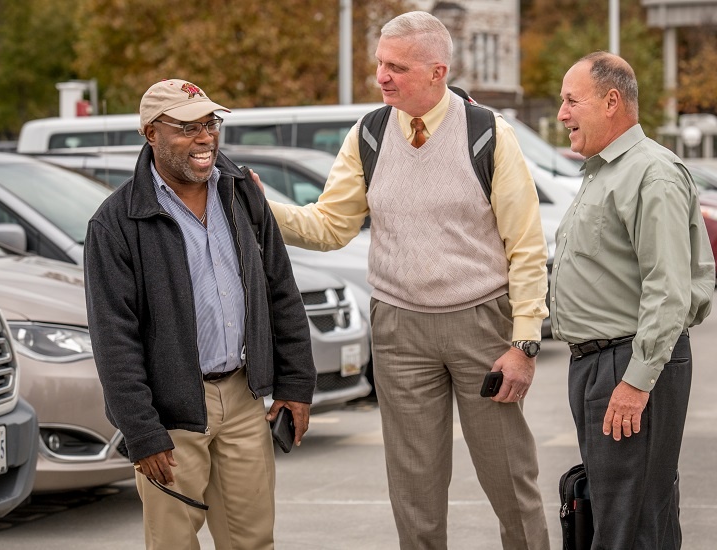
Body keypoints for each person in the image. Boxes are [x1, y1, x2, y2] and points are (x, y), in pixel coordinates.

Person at [261, 11, 550, 550]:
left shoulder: (488, 134)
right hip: (398, 330)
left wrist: (525, 341)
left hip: (482, 326)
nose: (382, 78)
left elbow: (527, 247)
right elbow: (329, 226)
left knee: (510, 478)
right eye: (379, 64)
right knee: (413, 490)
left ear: (437, 71)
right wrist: (262, 208)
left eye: (397, 67)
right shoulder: (368, 134)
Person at [84, 78, 316, 550]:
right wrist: (142, 430)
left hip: (244, 397)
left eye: (210, 123)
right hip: (171, 412)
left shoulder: (242, 194)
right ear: (151, 133)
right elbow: (114, 339)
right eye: (186, 127)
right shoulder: (115, 223)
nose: (205, 136)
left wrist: (295, 384)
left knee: (253, 541)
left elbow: (281, 291)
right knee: (173, 543)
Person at [551, 52, 716, 549]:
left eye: (570, 100)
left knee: (631, 520)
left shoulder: (650, 174)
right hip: (598, 364)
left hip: (630, 363)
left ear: (611, 102)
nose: (562, 113)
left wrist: (636, 383)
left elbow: (668, 292)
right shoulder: (602, 172)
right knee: (618, 511)